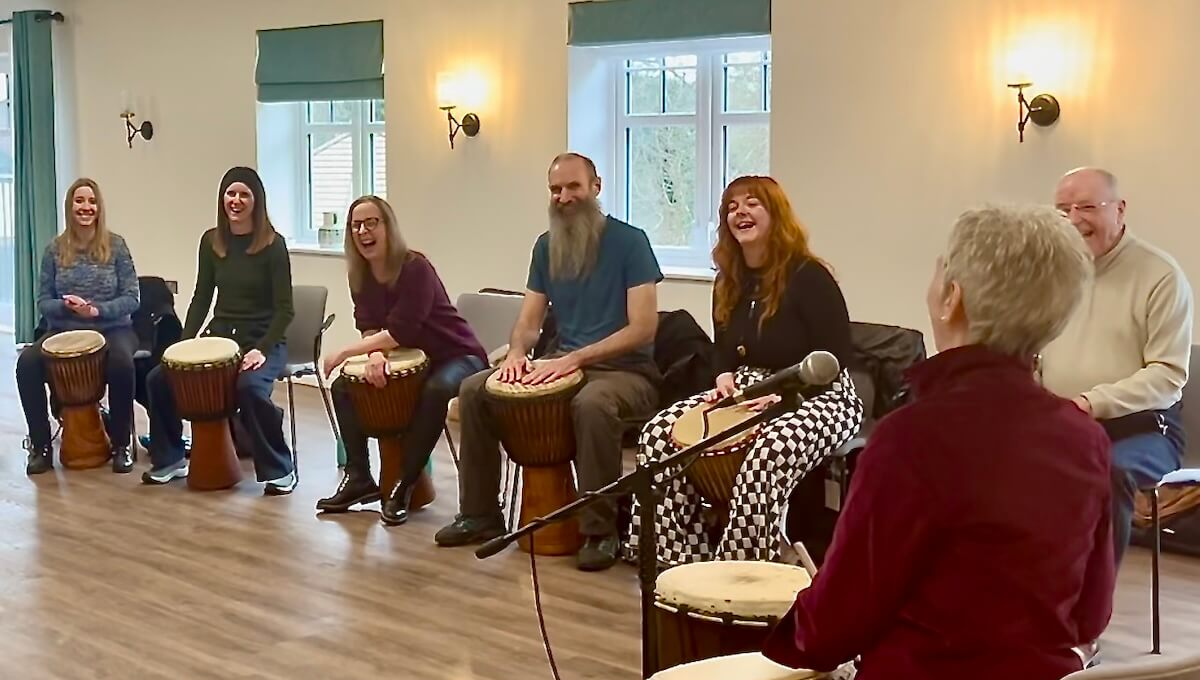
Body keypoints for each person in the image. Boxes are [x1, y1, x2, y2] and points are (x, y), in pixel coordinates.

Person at [587, 205, 1115, 680]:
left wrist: (802, 615)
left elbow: (830, 636)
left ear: (952, 299)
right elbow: (1089, 616)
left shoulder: (913, 438)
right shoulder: (1084, 440)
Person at [435, 152, 661, 571]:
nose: (563, 197)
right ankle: (480, 514)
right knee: (474, 389)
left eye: (573, 187)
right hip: (562, 363)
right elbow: (529, 319)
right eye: (556, 189)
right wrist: (518, 353)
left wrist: (576, 357)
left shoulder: (632, 242)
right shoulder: (546, 246)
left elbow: (643, 327)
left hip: (626, 372)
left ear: (596, 187)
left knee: (592, 404)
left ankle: (601, 530)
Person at [627, 175, 862, 565]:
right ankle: (678, 562)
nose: (740, 211)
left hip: (821, 393)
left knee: (767, 452)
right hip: (750, 391)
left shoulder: (809, 277)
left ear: (775, 214)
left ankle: (744, 569)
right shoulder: (727, 282)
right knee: (658, 436)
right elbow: (723, 351)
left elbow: (835, 357)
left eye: (752, 203)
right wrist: (722, 376)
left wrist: (788, 392)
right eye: (732, 206)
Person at [1042, 167, 1193, 567]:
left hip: (1143, 429)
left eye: (1088, 207)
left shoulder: (1160, 276)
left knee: (1108, 475)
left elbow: (1167, 376)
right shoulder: (1053, 276)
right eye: (1062, 210)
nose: (1074, 220)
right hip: (1063, 423)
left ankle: (1088, 608)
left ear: (1120, 210)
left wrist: (1090, 403)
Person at [318, 195, 488, 523]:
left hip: (457, 354)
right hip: (412, 358)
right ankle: (358, 477)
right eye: (356, 225)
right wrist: (375, 356)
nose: (363, 231)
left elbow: (402, 331)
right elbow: (370, 326)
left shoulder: (415, 267)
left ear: (388, 227)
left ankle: (405, 482)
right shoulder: (361, 274)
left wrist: (345, 352)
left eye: (371, 223)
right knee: (343, 387)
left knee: (437, 390)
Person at [141, 166, 297, 495]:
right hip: (223, 332)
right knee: (159, 377)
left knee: (251, 387)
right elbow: (201, 297)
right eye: (230, 193)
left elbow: (285, 309)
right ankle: (170, 458)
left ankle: (280, 467)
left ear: (257, 200)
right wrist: (181, 346)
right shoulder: (211, 241)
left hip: (264, 338)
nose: (236, 200)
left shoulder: (273, 245)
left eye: (244, 194)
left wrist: (262, 349)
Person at [18, 178, 141, 475]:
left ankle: (121, 443)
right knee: (27, 364)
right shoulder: (54, 250)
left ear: (99, 208)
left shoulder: (116, 245)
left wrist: (97, 310)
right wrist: (66, 307)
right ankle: (41, 445)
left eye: (91, 201)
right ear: (70, 207)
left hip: (113, 329)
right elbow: (43, 300)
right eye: (79, 201)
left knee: (122, 364)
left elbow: (132, 297)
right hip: (64, 331)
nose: (86, 207)